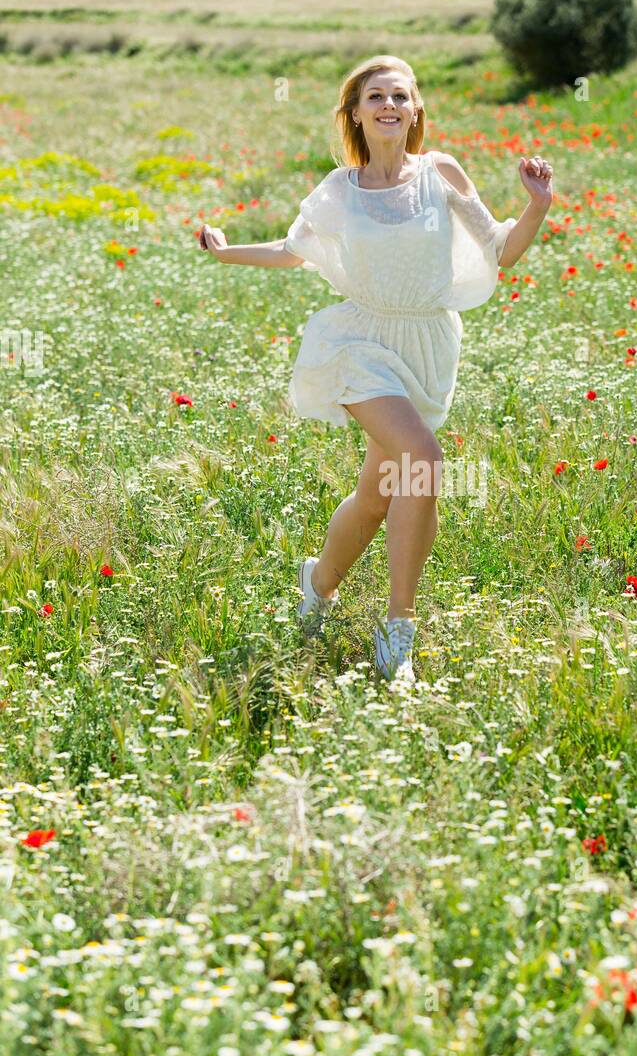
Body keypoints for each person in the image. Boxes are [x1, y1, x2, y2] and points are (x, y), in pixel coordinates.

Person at [199, 54, 552, 682]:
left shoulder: (440, 173)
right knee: (425, 460)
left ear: (416, 110)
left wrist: (536, 205)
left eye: (400, 95)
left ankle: (319, 582)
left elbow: (501, 251)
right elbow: (292, 251)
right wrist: (227, 254)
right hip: (358, 342)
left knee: (375, 495)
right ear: (356, 114)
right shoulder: (340, 190)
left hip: (426, 345)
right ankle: (398, 635)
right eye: (375, 97)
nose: (388, 105)